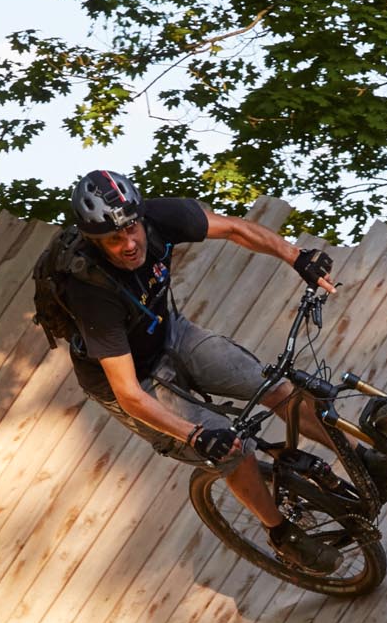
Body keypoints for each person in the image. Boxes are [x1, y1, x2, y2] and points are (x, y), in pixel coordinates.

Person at [46, 169, 343, 574]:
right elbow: (129, 393)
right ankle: (281, 534)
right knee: (232, 451)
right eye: (113, 240)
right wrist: (197, 435)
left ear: (139, 215)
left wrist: (297, 257)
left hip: (171, 333)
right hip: (132, 378)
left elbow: (236, 230)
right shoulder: (90, 289)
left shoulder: (160, 216)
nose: (129, 244)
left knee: (276, 387)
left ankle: (360, 459)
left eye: (131, 229)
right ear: (95, 241)